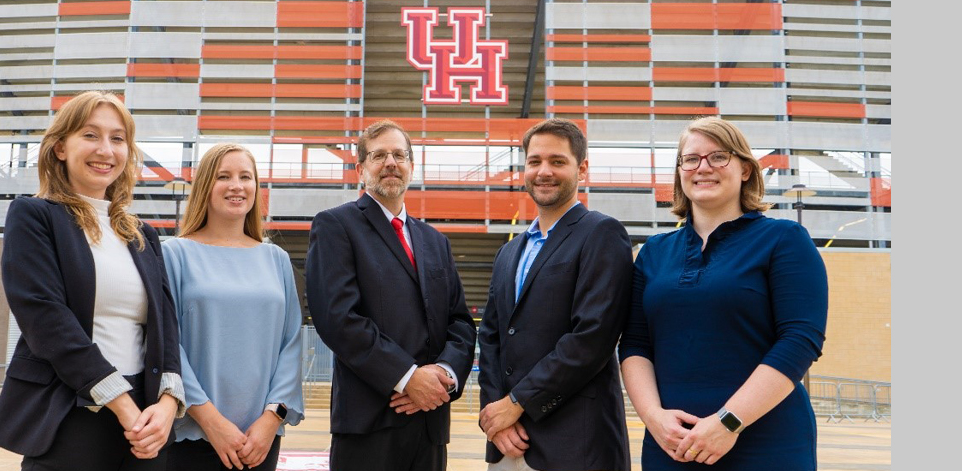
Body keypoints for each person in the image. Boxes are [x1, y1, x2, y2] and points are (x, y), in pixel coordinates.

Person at [0, 90, 186, 470]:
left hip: (144, 424)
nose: (105, 150)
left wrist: (167, 402)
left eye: (117, 138)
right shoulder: (34, 216)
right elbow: (45, 319)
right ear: (60, 148)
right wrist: (121, 402)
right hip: (71, 414)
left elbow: (167, 327)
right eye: (90, 135)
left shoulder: (142, 233)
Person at [618, 116, 828, 470]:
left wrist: (729, 421)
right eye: (691, 159)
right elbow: (636, 344)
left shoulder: (783, 239)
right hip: (672, 444)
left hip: (766, 442)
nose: (703, 168)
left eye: (718, 157)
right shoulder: (654, 252)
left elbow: (800, 339)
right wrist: (653, 417)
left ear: (745, 169)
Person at [304, 120, 478, 471]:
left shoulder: (435, 242)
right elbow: (338, 318)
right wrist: (407, 376)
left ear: (412, 166)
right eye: (378, 155)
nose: (390, 162)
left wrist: (442, 376)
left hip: (429, 423)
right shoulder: (336, 226)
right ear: (360, 169)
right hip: (369, 423)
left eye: (399, 154)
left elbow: (459, 321)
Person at [477, 118, 633, 471]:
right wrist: (495, 415)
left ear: (582, 168)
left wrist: (517, 402)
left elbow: (592, 337)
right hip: (507, 442)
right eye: (534, 162)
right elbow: (490, 338)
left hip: (576, 444)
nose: (543, 171)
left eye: (557, 161)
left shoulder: (601, 233)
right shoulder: (509, 252)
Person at [161, 143, 305, 471]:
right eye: (223, 176)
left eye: (246, 176)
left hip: (260, 439)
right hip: (192, 433)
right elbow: (169, 345)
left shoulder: (277, 260)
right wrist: (211, 421)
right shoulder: (174, 255)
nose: (236, 185)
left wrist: (272, 419)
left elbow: (291, 345)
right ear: (204, 187)